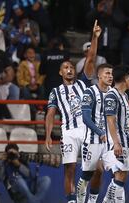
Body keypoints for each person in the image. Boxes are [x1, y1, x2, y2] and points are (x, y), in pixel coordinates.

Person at [45, 21, 99, 203]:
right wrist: (47, 135)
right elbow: (51, 114)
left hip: (87, 131)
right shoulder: (55, 91)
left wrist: (94, 37)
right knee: (70, 169)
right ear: (61, 73)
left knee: (93, 168)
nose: (69, 69)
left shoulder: (83, 83)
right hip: (68, 132)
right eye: (65, 68)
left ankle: (88, 199)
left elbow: (91, 58)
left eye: (71, 67)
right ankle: (71, 200)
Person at [101, 65, 129, 202]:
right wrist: (116, 143)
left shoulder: (125, 96)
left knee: (122, 176)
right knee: (119, 175)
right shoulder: (111, 95)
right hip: (116, 142)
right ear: (126, 78)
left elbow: (126, 120)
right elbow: (110, 120)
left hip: (126, 141)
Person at [76, 63, 113, 203]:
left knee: (116, 173)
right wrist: (99, 132)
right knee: (88, 174)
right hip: (92, 140)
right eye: (107, 74)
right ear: (99, 76)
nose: (110, 76)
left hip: (109, 141)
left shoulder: (113, 93)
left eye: (111, 74)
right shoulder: (90, 92)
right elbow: (85, 118)